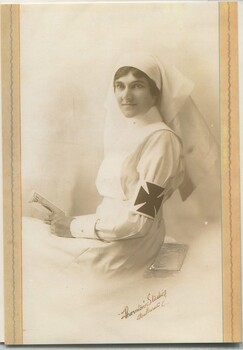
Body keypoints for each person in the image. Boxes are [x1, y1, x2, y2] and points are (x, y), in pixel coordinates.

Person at [46, 53, 217, 276]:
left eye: (137, 86)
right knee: (32, 232)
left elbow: (139, 221)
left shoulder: (161, 140)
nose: (126, 95)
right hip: (110, 236)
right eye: (120, 86)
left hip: (129, 249)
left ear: (155, 94)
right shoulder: (131, 133)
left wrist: (74, 226)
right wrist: (73, 221)